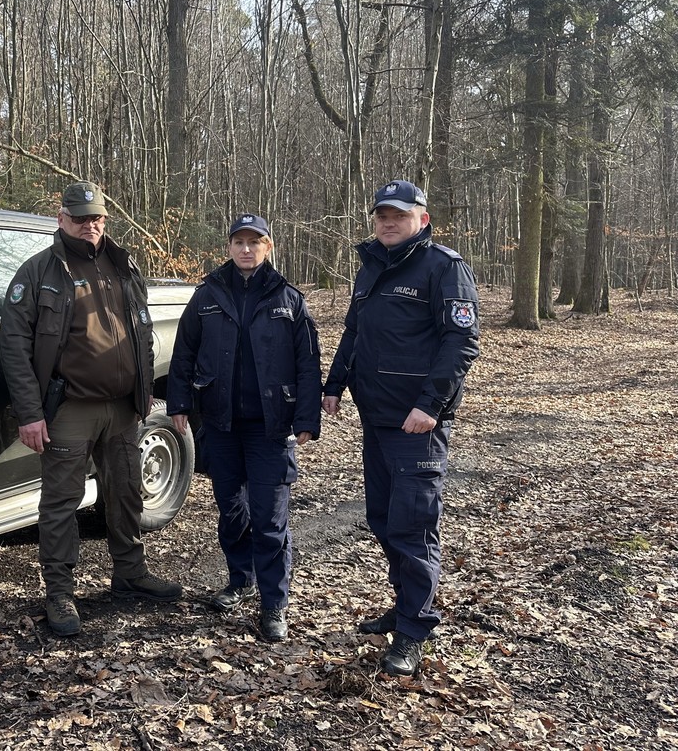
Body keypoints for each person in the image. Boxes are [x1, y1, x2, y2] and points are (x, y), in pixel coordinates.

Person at [0, 181, 183, 637]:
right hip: (70, 407)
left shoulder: (122, 264)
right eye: (80, 218)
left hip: (121, 407)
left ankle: (130, 573)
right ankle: (60, 592)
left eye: (96, 217)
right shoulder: (39, 271)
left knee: (126, 491)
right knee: (62, 502)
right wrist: (30, 413)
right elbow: (14, 347)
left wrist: (144, 392)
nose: (89, 225)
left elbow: (142, 332)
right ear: (61, 218)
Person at [321, 179, 479, 676]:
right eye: (382, 216)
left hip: (417, 424)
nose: (389, 223)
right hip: (377, 418)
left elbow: (462, 342)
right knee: (384, 520)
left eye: (400, 215)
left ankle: (413, 629)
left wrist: (430, 404)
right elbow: (354, 331)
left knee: (413, 527)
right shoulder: (371, 266)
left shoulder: (443, 267)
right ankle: (404, 604)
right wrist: (335, 383)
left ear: (422, 220)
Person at [167, 214, 322, 642]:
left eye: (255, 242)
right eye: (239, 241)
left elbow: (308, 362)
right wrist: (179, 403)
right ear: (229, 247)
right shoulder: (207, 295)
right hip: (221, 423)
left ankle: (274, 603)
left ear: (268, 247)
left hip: (271, 427)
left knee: (270, 518)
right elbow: (184, 353)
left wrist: (307, 417)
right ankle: (240, 580)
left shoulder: (288, 297)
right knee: (232, 510)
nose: (246, 249)